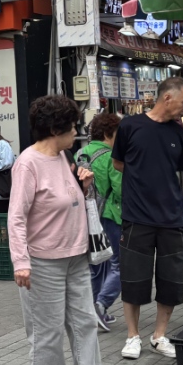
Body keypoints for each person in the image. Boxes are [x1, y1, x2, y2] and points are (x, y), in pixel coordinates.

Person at [11, 95, 127, 365]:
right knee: (47, 333)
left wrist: (84, 187)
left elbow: (70, 201)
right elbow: (16, 217)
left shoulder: (65, 157)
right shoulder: (28, 163)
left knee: (85, 325)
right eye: (72, 126)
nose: (76, 132)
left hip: (77, 258)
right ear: (54, 128)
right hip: (42, 262)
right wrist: (21, 261)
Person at [111, 76, 183, 360]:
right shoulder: (130, 125)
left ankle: (160, 335)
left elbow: (179, 167)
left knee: (171, 280)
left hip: (172, 217)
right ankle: (133, 336)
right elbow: (119, 162)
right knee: (134, 279)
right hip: (137, 216)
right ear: (167, 98)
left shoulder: (178, 131)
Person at [76, 113, 122, 330]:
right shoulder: (110, 155)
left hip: (85, 215)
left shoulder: (81, 152)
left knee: (96, 264)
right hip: (109, 215)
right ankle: (100, 306)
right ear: (107, 133)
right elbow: (120, 189)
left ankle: (92, 310)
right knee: (119, 265)